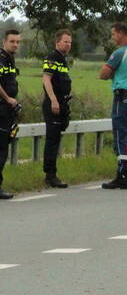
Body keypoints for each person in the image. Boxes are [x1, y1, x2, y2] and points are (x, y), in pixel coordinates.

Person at [99, 23, 127, 189]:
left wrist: (112, 73)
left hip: (122, 96)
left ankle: (122, 173)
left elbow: (103, 74)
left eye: (113, 34)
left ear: (121, 33)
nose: (112, 38)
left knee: (120, 135)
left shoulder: (119, 53)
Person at [41, 29, 74, 188]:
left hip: (62, 104)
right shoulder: (53, 57)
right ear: (57, 42)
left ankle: (52, 173)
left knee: (56, 139)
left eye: (70, 42)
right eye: (65, 41)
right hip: (53, 105)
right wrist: (53, 100)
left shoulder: (63, 59)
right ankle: (50, 175)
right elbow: (47, 79)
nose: (68, 45)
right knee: (52, 140)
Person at [0, 29, 21, 200]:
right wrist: (7, 98)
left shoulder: (9, 59)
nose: (15, 44)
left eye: (17, 42)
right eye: (12, 41)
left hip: (6, 110)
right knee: (0, 149)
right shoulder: (1, 58)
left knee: (3, 148)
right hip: (1, 108)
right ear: (4, 42)